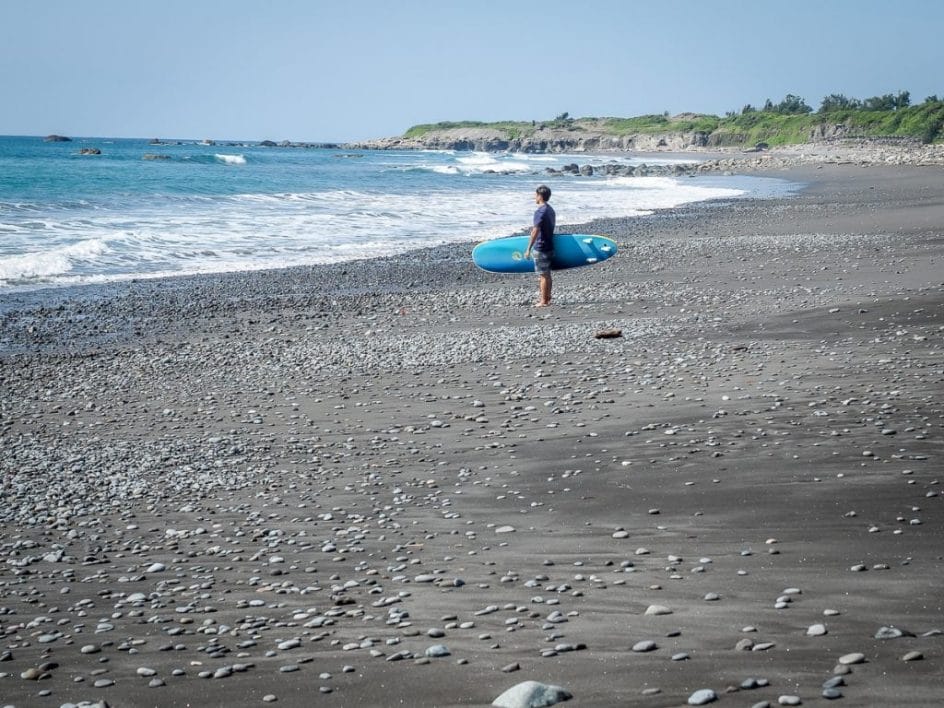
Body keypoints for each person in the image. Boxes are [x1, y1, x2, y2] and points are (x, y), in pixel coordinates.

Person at [523, 184, 556, 307]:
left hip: (541, 247)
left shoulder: (540, 212)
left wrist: (528, 249)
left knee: (543, 275)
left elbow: (535, 231)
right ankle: (547, 298)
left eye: (535, 195)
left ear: (540, 196)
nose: (534, 197)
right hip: (549, 245)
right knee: (547, 275)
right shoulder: (550, 210)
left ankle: (543, 301)